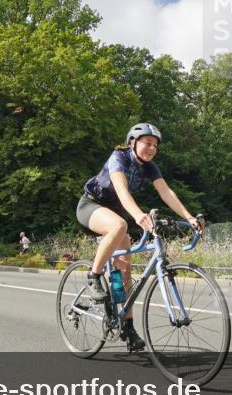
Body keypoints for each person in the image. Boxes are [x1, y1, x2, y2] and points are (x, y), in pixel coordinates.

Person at [76, 123, 203, 352]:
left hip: (116, 212)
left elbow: (166, 192)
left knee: (124, 274)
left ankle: (128, 327)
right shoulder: (119, 157)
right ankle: (93, 276)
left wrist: (189, 217)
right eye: (147, 143)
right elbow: (122, 190)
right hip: (91, 205)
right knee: (120, 224)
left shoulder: (150, 167)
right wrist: (137, 215)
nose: (152, 148)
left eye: (155, 145)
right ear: (133, 142)